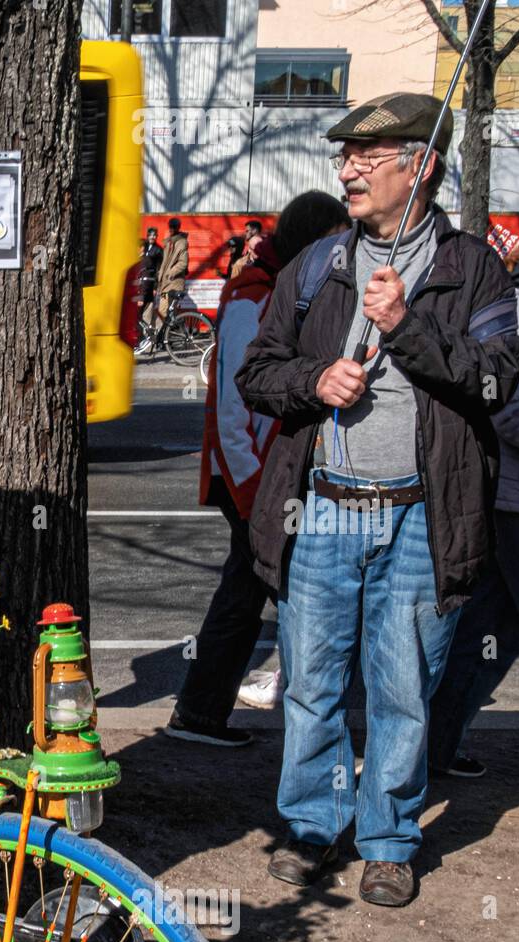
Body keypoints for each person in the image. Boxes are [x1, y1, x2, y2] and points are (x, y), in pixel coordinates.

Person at [236, 92, 519, 908]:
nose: (349, 169)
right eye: (346, 157)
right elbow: (257, 373)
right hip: (324, 506)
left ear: (420, 166)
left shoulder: (473, 269)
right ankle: (313, 827)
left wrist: (405, 328)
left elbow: (496, 379)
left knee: (404, 689)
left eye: (371, 155)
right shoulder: (316, 264)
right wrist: (311, 381)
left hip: (422, 518)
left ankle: (389, 838)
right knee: (312, 684)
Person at [166, 191, 348, 749]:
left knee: (250, 594)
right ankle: (213, 712)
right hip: (252, 478)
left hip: (260, 476)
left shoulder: (272, 288)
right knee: (269, 591)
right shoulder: (254, 295)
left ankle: (203, 713)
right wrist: (251, 491)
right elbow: (232, 409)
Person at [429, 235, 519, 777]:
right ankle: (432, 750)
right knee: (482, 637)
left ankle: (434, 751)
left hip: (518, 504)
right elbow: (510, 406)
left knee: (482, 639)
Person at [144, 217, 188, 341]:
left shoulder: (182, 243)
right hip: (165, 283)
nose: (172, 229)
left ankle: (160, 338)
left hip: (174, 284)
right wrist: (160, 276)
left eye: (174, 227)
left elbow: (183, 263)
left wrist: (170, 273)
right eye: (170, 227)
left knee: (163, 310)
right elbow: (163, 263)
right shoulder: (168, 242)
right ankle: (171, 336)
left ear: (178, 227)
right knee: (169, 312)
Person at [135, 226, 164, 355]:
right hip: (141, 285)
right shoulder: (143, 247)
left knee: (145, 315)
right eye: (150, 235)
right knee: (140, 316)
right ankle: (143, 339)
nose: (152, 237)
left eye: (154, 235)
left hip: (148, 285)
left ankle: (149, 340)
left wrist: (155, 287)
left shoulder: (158, 250)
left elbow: (158, 269)